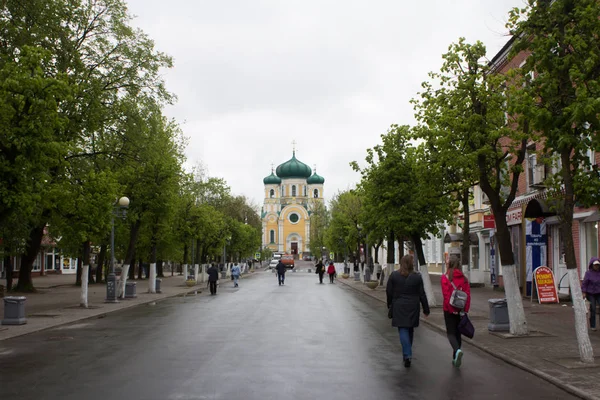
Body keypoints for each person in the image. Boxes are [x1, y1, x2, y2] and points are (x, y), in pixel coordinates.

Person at [386, 254, 430, 368]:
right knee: (409, 329)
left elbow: (389, 291)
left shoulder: (394, 276)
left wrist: (389, 304)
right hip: (413, 307)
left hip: (399, 306)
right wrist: (426, 309)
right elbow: (422, 294)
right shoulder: (417, 277)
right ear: (411, 264)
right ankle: (407, 354)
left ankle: (407, 354)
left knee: (403, 329)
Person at [441, 256, 471, 368]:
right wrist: (465, 310)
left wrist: (451, 310)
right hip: (461, 310)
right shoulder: (464, 279)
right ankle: (455, 358)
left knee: (451, 333)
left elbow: (446, 296)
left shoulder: (445, 277)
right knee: (458, 333)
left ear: (449, 264)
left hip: (449, 310)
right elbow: (468, 296)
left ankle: (457, 351)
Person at [582, 257, 600, 331]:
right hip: (591, 293)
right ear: (592, 265)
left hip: (599, 292)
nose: (596, 266)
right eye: (595, 265)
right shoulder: (588, 273)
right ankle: (593, 325)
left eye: (598, 265)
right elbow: (585, 283)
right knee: (593, 308)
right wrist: (584, 292)